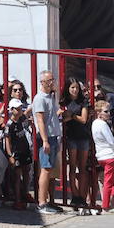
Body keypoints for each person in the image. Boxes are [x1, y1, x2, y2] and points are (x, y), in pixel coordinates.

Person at [33, 70, 63, 214]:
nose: (52, 82)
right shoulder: (40, 99)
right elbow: (40, 120)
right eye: (49, 80)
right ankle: (41, 202)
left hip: (53, 136)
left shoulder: (50, 97)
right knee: (45, 169)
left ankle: (48, 201)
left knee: (50, 169)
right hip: (46, 137)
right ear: (42, 82)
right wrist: (45, 140)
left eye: (53, 79)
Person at [61, 79, 93, 214]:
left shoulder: (83, 101)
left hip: (83, 136)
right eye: (72, 87)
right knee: (72, 167)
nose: (75, 90)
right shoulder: (64, 102)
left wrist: (72, 115)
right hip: (71, 136)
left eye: (77, 88)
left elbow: (84, 119)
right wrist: (71, 116)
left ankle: (82, 196)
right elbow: (62, 118)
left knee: (83, 168)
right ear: (68, 88)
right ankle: (74, 196)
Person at [3, 99, 34, 211]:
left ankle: (25, 194)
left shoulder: (21, 118)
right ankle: (17, 200)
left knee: (27, 173)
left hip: (25, 150)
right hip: (16, 153)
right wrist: (10, 155)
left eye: (21, 108)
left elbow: (28, 113)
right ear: (11, 110)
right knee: (17, 176)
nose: (20, 110)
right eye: (17, 108)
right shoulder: (9, 125)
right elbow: (7, 141)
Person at [91, 99, 114, 212]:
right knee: (109, 181)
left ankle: (110, 200)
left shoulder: (94, 123)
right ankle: (106, 204)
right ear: (99, 112)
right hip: (109, 155)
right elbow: (111, 141)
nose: (108, 114)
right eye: (106, 111)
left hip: (100, 155)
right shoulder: (103, 124)